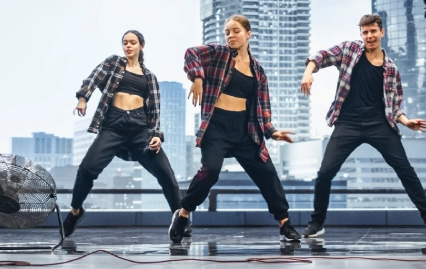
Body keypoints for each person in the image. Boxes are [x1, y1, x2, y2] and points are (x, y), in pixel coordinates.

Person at [299, 14, 426, 239]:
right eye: (365, 32)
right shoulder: (349, 51)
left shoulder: (391, 70)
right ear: (361, 35)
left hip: (379, 125)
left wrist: (407, 122)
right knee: (325, 173)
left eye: (373, 32)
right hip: (347, 123)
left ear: (382, 33)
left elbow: (394, 107)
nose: (369, 36)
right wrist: (308, 73)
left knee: (406, 171)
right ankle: (317, 223)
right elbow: (321, 56)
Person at [170, 15, 299, 243]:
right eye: (227, 31)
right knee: (210, 171)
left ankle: (285, 224)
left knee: (267, 174)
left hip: (244, 130)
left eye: (236, 31)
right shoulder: (219, 53)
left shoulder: (258, 70)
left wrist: (271, 131)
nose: (231, 35)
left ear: (248, 34)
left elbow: (262, 106)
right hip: (216, 127)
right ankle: (183, 215)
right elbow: (191, 52)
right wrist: (197, 78)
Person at [65, 30, 182, 236]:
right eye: (125, 43)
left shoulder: (149, 77)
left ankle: (180, 220)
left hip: (140, 129)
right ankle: (75, 211)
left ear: (141, 46)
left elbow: (154, 111)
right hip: (113, 126)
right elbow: (93, 77)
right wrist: (83, 98)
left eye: (133, 42)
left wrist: (156, 135)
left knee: (166, 175)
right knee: (86, 169)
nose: (128, 46)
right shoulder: (113, 64)